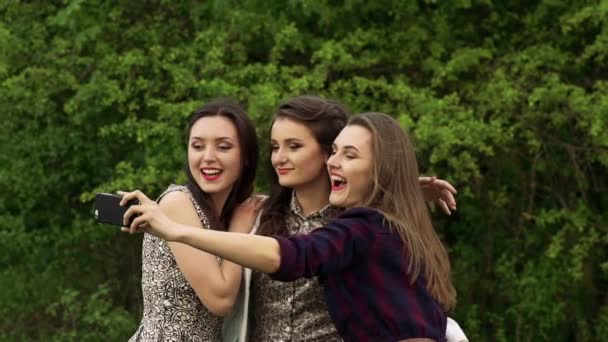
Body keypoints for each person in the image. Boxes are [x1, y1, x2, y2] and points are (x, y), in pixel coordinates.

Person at [121, 111, 459, 342]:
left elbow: (294, 256)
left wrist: (176, 232)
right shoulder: (261, 212)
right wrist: (405, 185)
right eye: (275, 147)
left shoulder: (358, 225)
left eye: (294, 146)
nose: (280, 157)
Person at [124, 99, 259, 341]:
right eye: (197, 146)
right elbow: (220, 300)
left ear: (246, 156)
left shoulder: (231, 212)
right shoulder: (178, 203)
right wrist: (239, 229)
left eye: (224, 147)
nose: (208, 157)